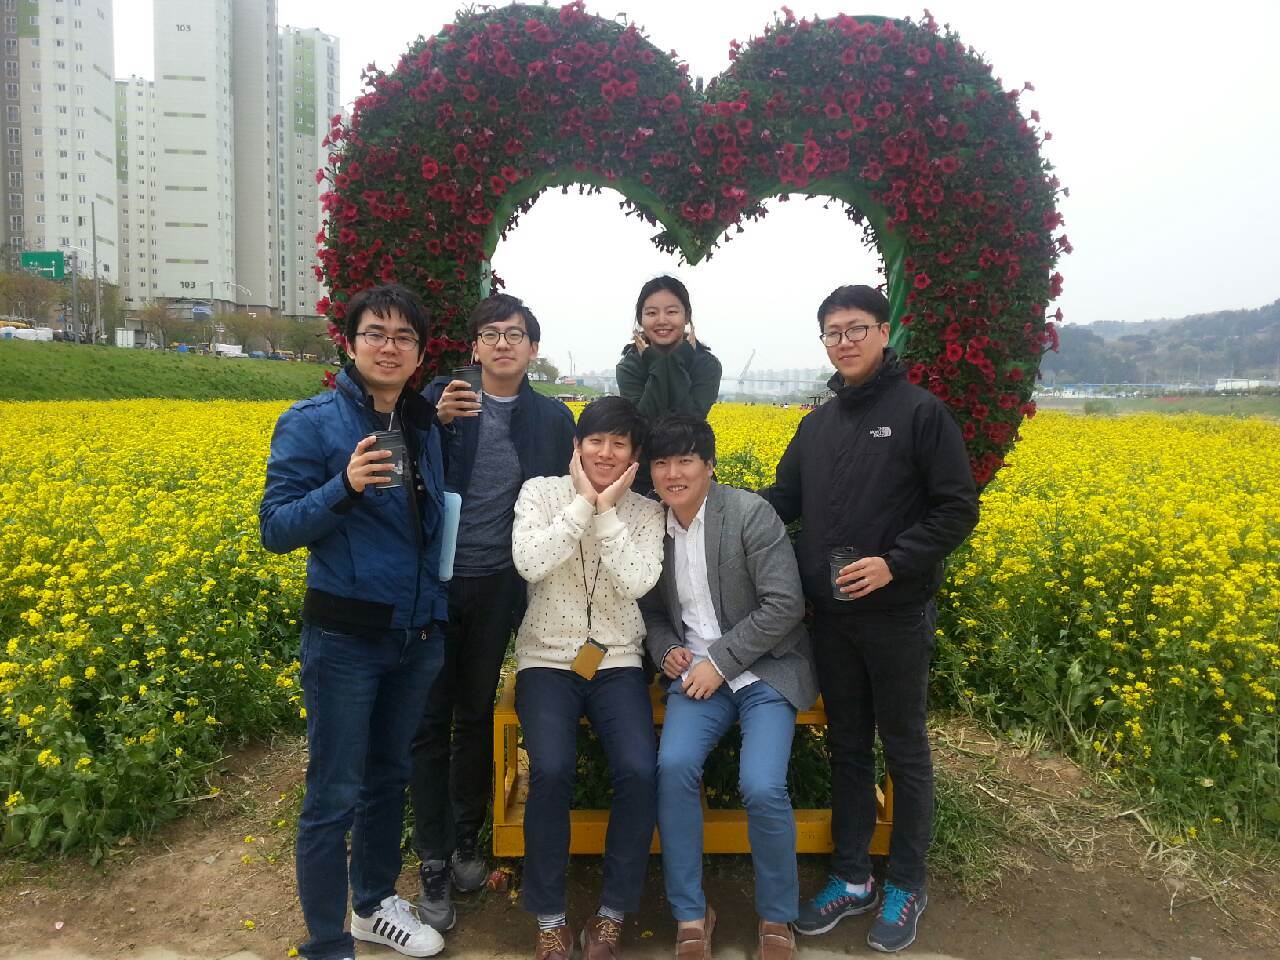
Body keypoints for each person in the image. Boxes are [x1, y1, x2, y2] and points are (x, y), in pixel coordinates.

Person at [758, 284, 980, 953]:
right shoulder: (817, 425)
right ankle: (852, 876)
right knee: (848, 746)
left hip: (896, 613)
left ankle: (906, 882)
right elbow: (783, 499)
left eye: (856, 328)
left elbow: (957, 507)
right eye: (832, 332)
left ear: (885, 333)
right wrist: (706, 507)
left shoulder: (920, 413)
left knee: (905, 748)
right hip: (830, 617)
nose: (844, 342)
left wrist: (895, 563)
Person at [259, 283, 452, 960]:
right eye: (375, 333)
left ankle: (372, 906)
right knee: (332, 795)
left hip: (415, 636)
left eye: (404, 338)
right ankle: (326, 942)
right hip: (345, 638)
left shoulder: (420, 424)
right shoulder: (310, 422)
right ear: (349, 342)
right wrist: (343, 487)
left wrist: (434, 617)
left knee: (388, 779)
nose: (389, 347)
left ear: (420, 354)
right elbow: (276, 529)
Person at [409, 293, 575, 929]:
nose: (503, 344)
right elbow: (403, 465)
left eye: (515, 334)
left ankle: (465, 838)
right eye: (491, 334)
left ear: (533, 348)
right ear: (474, 346)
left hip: (499, 585)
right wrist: (432, 421)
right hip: (433, 583)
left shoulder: (552, 418)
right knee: (429, 719)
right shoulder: (437, 399)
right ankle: (431, 857)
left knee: (474, 713)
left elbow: (570, 493)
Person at [640, 414, 818, 960]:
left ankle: (777, 915)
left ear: (709, 466)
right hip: (696, 677)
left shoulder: (748, 513)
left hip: (765, 669)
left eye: (686, 460)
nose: (673, 474)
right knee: (673, 769)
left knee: (762, 785)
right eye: (662, 463)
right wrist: (666, 649)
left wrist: (719, 661)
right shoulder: (652, 526)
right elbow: (651, 609)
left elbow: (784, 605)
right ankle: (691, 913)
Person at [510, 396, 665, 960]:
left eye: (619, 444)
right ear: (576, 447)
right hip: (546, 661)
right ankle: (550, 918)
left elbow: (638, 582)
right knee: (551, 770)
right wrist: (581, 505)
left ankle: (612, 912)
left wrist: (607, 513)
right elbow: (529, 562)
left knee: (638, 770)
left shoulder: (646, 511)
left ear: (634, 456)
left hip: (617, 661)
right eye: (595, 441)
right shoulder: (539, 492)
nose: (605, 452)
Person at [615, 276, 722, 493]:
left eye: (672, 312)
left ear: (687, 316)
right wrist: (657, 363)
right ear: (640, 319)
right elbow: (644, 422)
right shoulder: (630, 366)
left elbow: (689, 420)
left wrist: (675, 361)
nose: (662, 320)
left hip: (693, 475)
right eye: (651, 313)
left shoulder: (706, 365)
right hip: (642, 476)